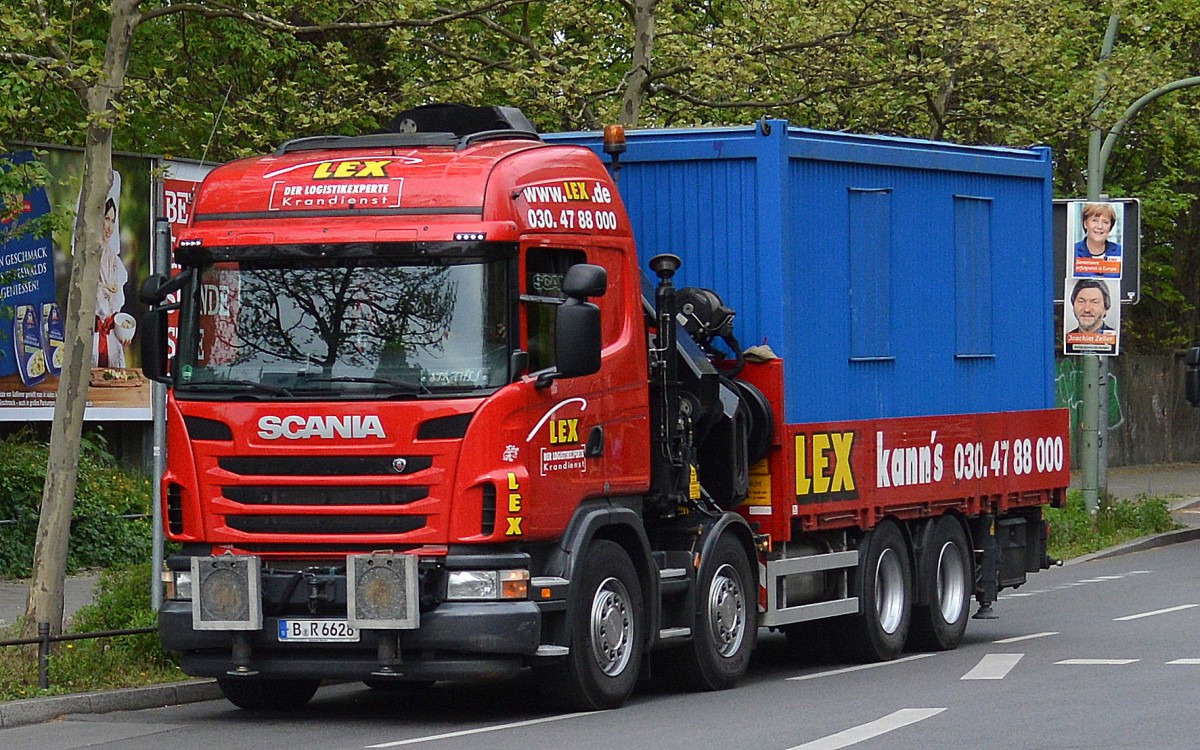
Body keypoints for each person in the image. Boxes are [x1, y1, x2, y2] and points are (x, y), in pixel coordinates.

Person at [92, 170, 127, 368]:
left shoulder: (115, 262)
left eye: (112, 220)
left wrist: (123, 332)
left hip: (112, 341)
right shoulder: (87, 258)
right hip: (91, 339)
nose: (109, 226)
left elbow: (117, 307)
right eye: (106, 218)